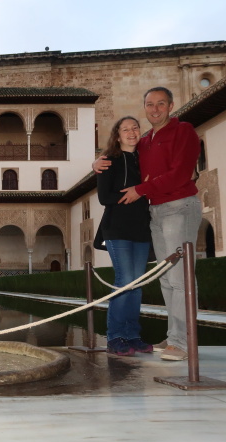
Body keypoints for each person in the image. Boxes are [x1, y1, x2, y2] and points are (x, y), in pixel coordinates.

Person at [94, 87, 201, 361]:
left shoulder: (183, 131)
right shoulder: (144, 144)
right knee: (162, 278)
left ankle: (180, 339)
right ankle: (162, 336)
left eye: (160, 104)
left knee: (174, 278)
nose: (155, 109)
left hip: (175, 208)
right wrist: (96, 162)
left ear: (171, 105)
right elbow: (109, 184)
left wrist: (140, 190)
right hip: (148, 217)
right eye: (150, 104)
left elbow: (180, 173)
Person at [94, 116, 153, 356]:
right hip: (117, 228)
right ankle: (115, 337)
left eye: (135, 128)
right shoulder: (108, 161)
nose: (131, 132)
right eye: (125, 129)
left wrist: (141, 190)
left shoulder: (147, 159)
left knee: (136, 285)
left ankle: (132, 335)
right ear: (117, 136)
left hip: (141, 229)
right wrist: (134, 193)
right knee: (124, 281)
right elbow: (104, 198)